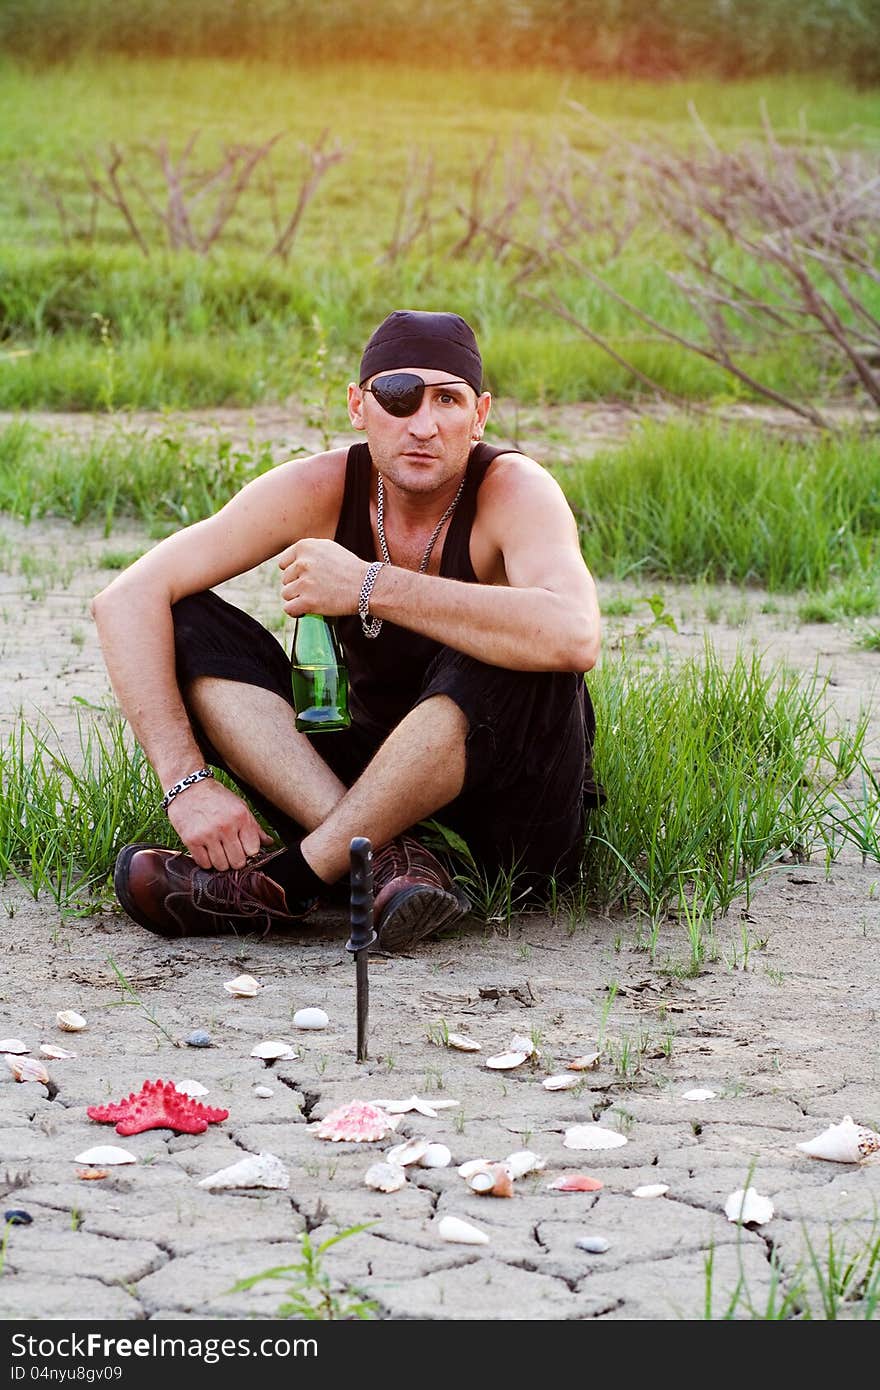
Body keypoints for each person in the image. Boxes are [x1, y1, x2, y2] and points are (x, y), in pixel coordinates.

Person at [92, 309, 602, 952]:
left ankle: (289, 881)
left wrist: (369, 585)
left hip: (507, 820)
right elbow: (126, 598)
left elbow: (576, 634)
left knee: (513, 638)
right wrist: (185, 784)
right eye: (399, 397)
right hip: (360, 781)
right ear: (359, 405)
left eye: (449, 399)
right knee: (187, 619)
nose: (424, 424)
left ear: (481, 414)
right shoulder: (321, 485)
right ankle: (389, 860)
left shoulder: (514, 488)